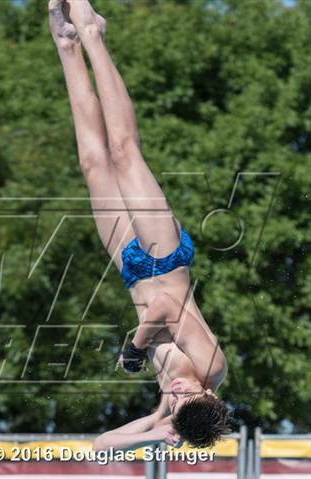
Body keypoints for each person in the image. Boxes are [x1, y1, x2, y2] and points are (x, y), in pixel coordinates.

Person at [49, 0, 229, 449]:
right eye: (188, 397)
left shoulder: (173, 407)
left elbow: (100, 445)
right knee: (124, 151)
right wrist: (134, 349)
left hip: (131, 269)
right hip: (164, 258)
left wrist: (156, 431)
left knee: (93, 164)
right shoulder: (210, 368)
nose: (179, 391)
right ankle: (94, 35)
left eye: (179, 402)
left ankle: (67, 46)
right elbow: (168, 306)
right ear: (208, 395)